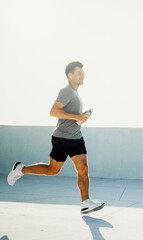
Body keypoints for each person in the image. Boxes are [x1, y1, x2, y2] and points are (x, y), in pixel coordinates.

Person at [7, 61, 105, 214]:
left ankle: (85, 202)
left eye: (83, 73)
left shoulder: (75, 93)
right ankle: (21, 169)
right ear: (70, 75)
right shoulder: (66, 91)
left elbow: (70, 116)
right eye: (79, 73)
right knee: (52, 170)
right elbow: (53, 111)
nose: (82, 75)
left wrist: (81, 117)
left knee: (83, 169)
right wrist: (77, 116)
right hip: (62, 138)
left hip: (76, 137)